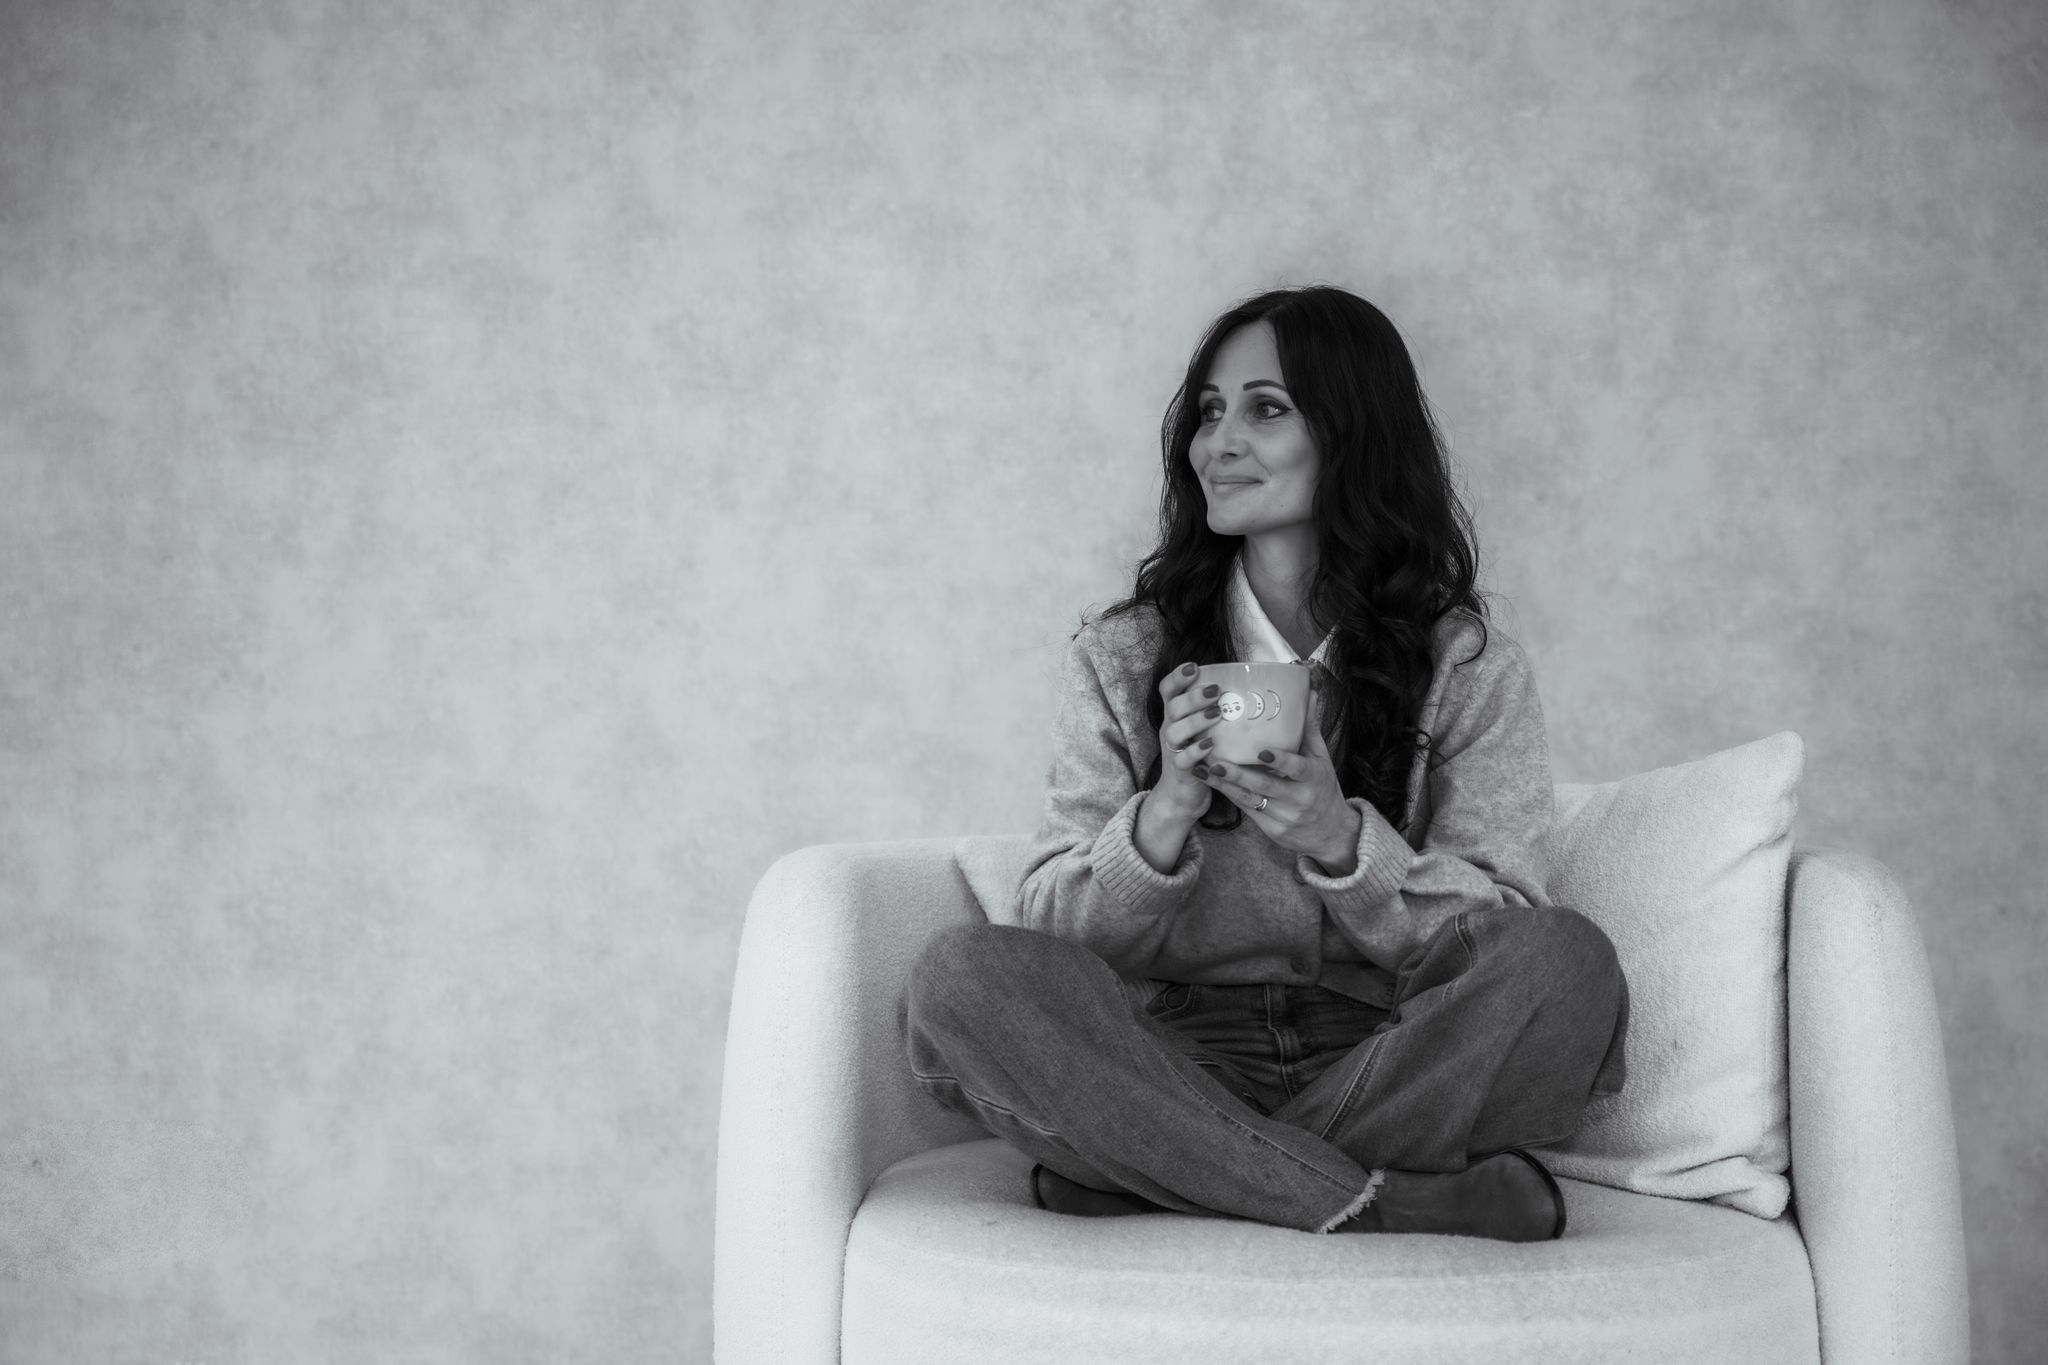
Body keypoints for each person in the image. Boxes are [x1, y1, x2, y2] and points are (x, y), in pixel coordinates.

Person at [900, 285, 1629, 1240]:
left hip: (1390, 1053)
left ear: (1353, 434)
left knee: (1568, 962)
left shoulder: (1465, 665)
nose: (1218, 443)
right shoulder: (1122, 656)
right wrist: (1162, 816)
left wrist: (1343, 843)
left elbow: (1507, 922)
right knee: (959, 979)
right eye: (1209, 412)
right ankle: (1372, 1200)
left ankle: (1166, 1172)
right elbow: (1048, 926)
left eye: (1266, 409)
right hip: (1170, 1052)